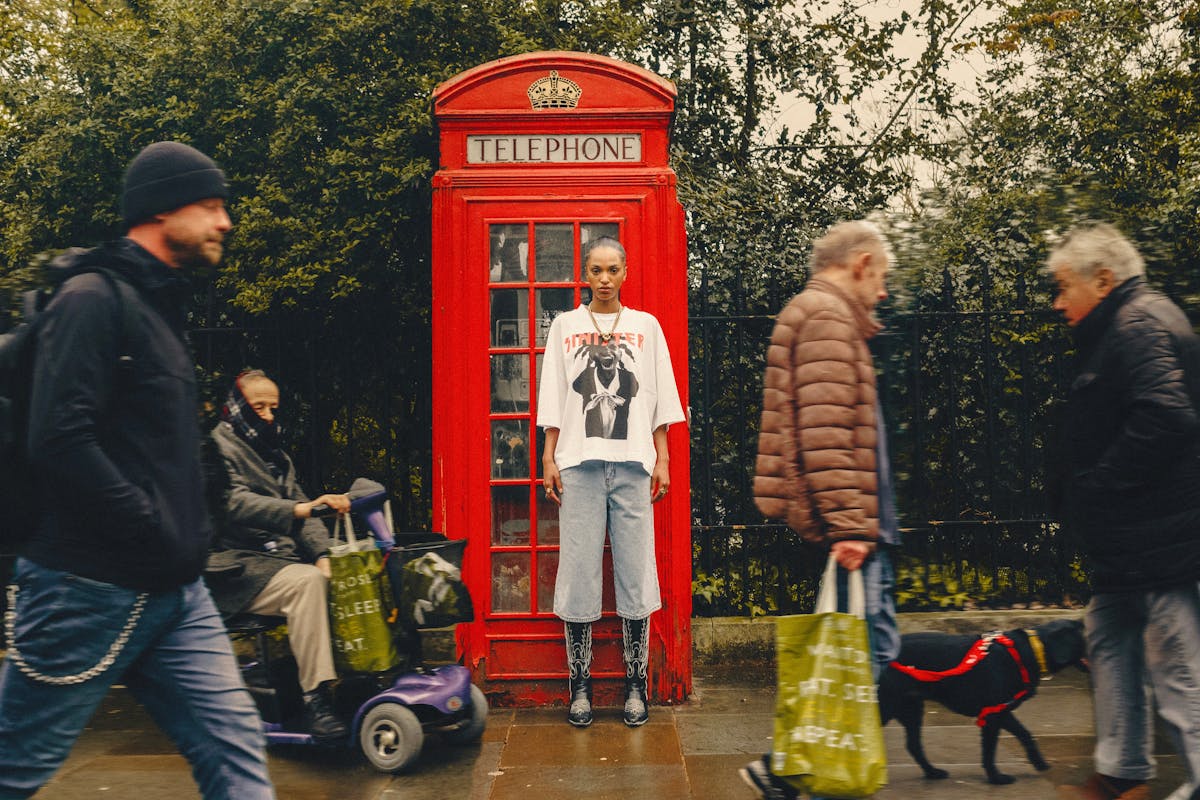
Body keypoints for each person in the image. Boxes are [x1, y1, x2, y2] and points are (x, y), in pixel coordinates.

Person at [0, 141, 275, 798]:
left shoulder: (159, 306)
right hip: (87, 589)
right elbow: (59, 439)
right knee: (14, 768)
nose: (224, 222)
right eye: (210, 206)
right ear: (160, 211)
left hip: (178, 593)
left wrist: (191, 528)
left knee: (237, 762)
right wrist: (150, 527)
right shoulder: (92, 299)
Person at [740, 220, 901, 800]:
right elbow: (826, 430)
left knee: (865, 647)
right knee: (867, 650)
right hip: (852, 522)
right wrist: (851, 525)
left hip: (854, 518)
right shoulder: (829, 318)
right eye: (881, 277)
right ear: (860, 264)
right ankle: (789, 767)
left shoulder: (819, 314)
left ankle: (792, 765)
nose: (882, 292)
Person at [1046, 222, 1200, 800]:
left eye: (1064, 287)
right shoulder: (1135, 320)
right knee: (1108, 634)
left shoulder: (1134, 324)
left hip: (1156, 537)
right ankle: (1121, 767)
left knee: (1178, 663)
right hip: (1133, 540)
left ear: (1103, 279)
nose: (1058, 302)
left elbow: (1166, 415)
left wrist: (1101, 485)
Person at [537, 236, 685, 728]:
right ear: (586, 273)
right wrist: (549, 454)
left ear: (626, 272)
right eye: (596, 270)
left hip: (632, 465)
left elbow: (660, 400)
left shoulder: (646, 326)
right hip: (579, 464)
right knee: (578, 575)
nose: (604, 278)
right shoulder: (565, 325)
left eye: (613, 270)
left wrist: (662, 458)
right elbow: (554, 395)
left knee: (636, 575)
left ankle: (634, 685)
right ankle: (579, 685)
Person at [204, 369, 351, 740]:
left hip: (277, 564)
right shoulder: (215, 447)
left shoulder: (275, 454)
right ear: (237, 407)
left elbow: (304, 504)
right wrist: (296, 512)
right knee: (307, 584)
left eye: (273, 407)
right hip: (236, 567)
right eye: (259, 407)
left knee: (342, 575)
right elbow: (231, 502)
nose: (269, 415)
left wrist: (323, 553)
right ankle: (314, 701)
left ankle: (353, 684)